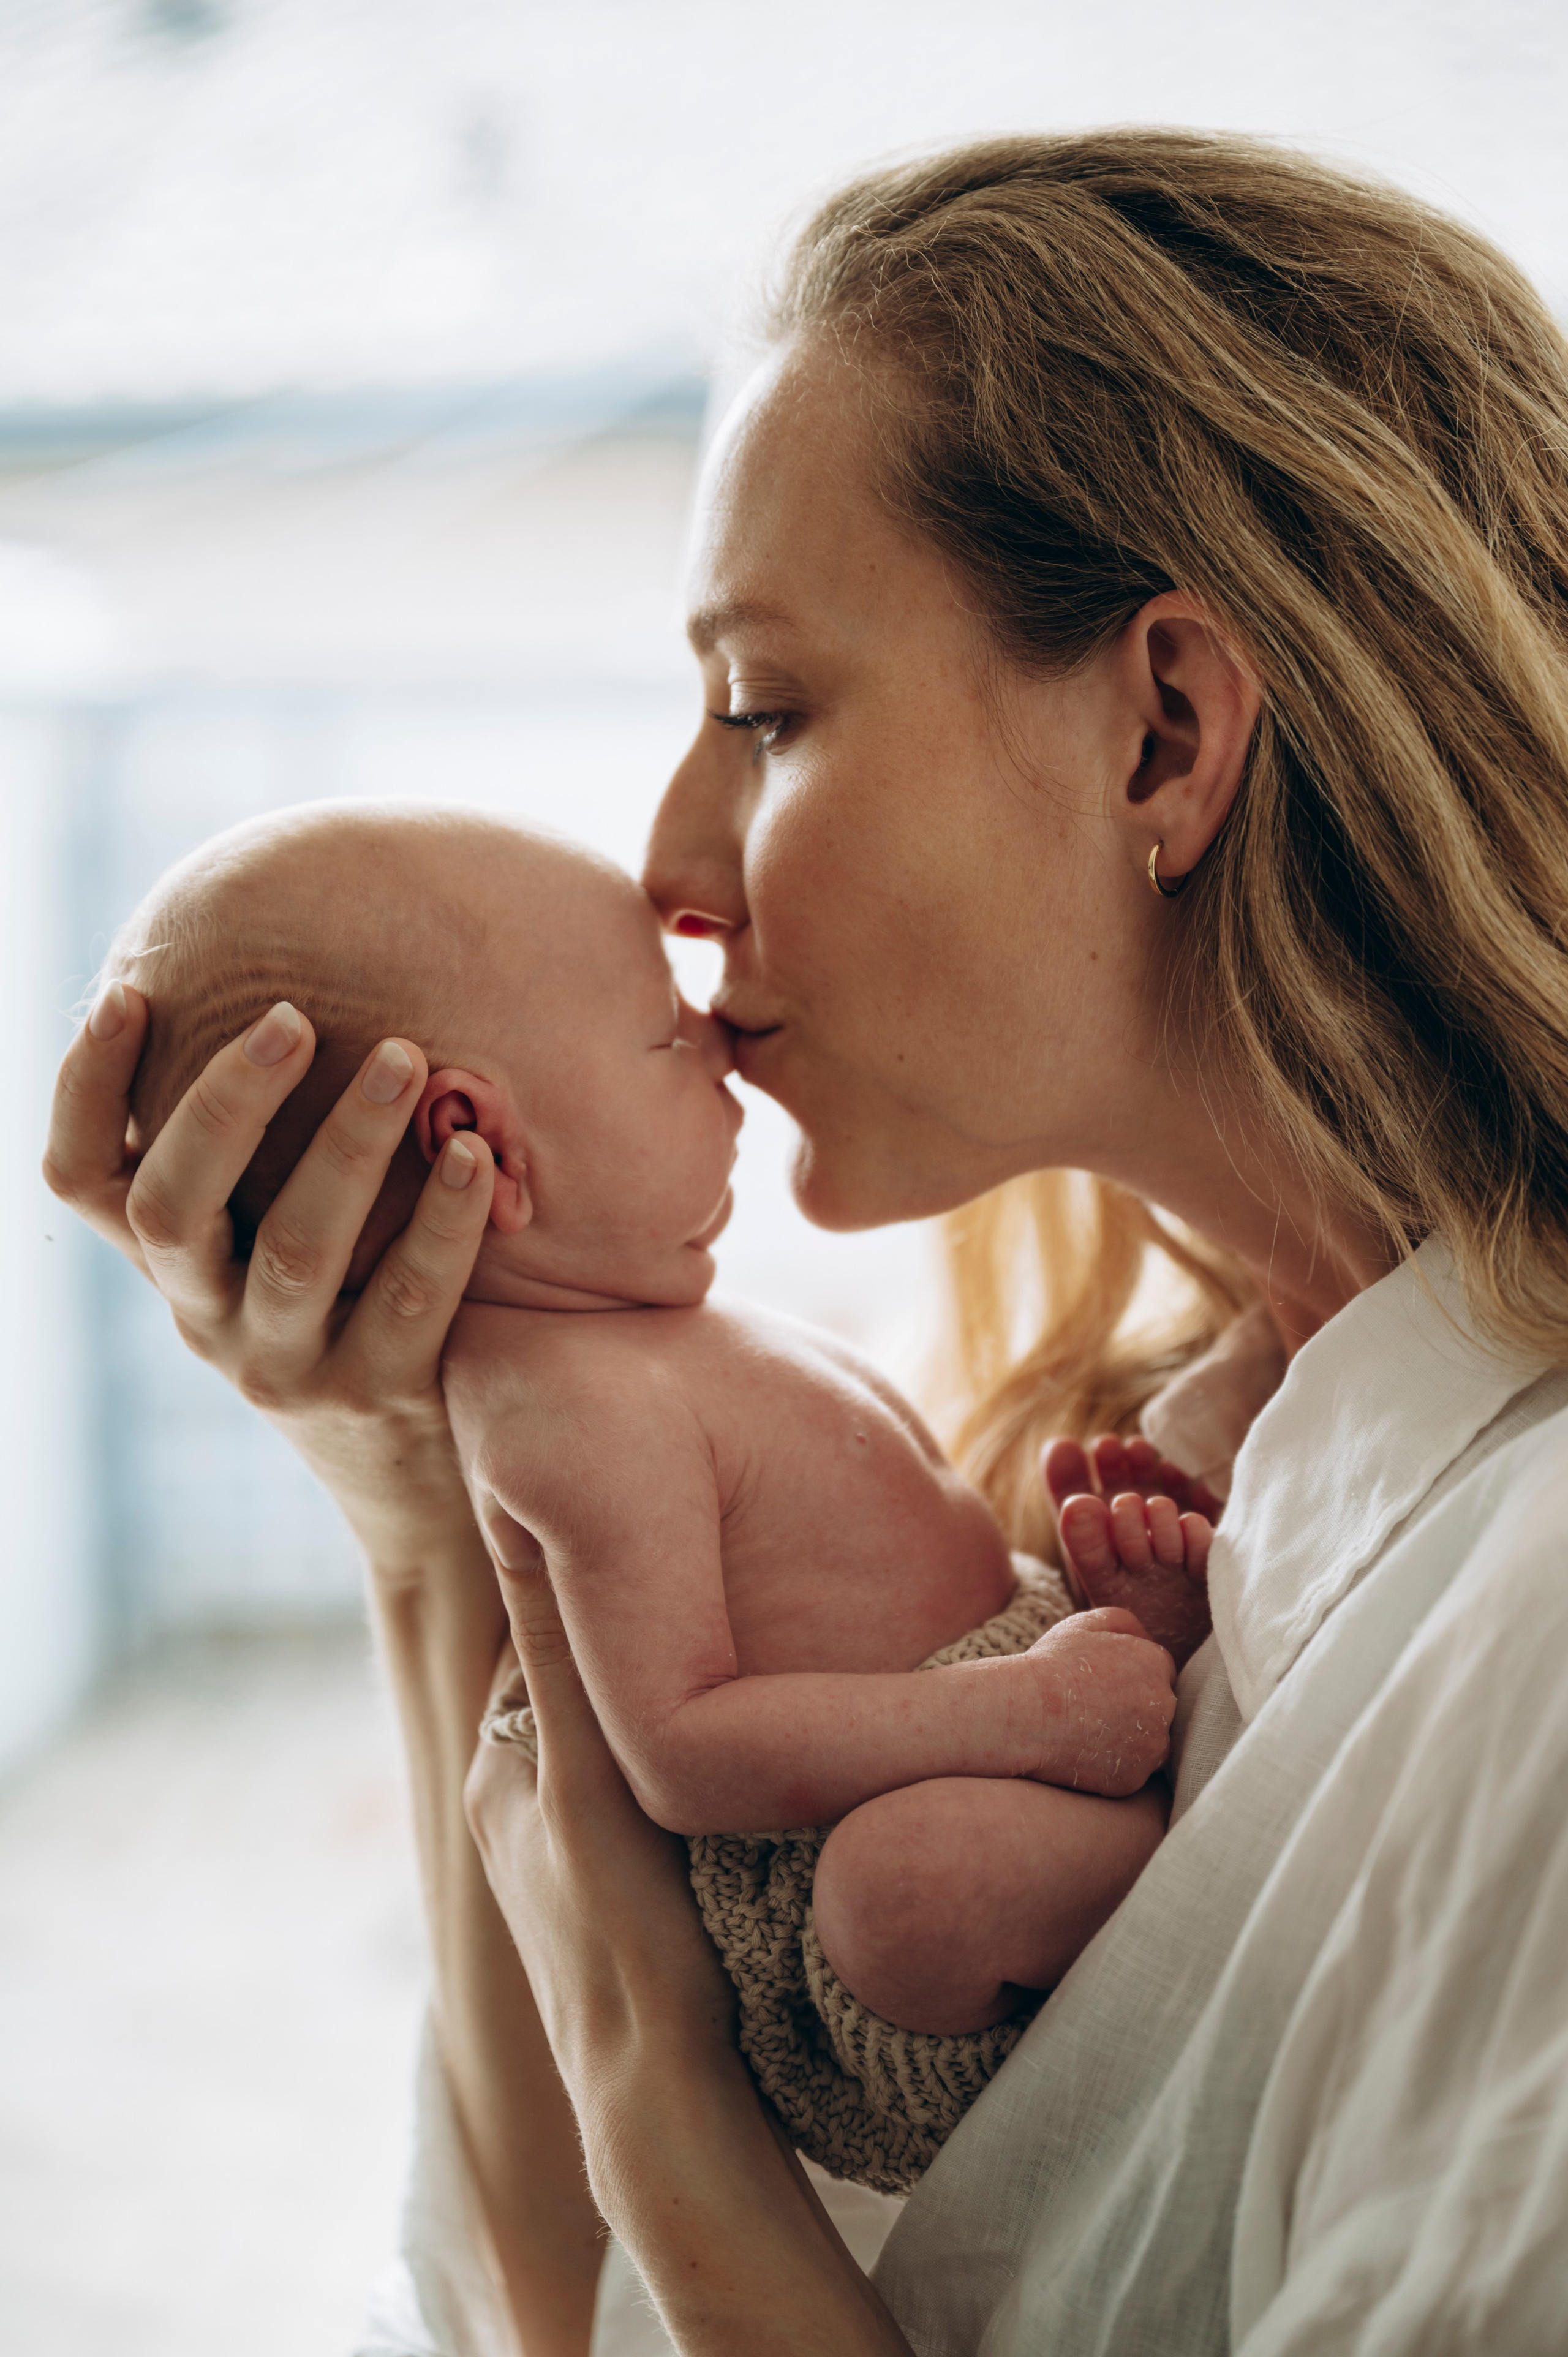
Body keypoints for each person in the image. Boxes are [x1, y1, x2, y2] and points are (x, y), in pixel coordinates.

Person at [47, 126, 1568, 2353]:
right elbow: (522, 2318)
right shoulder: (1100, 1486)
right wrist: (420, 1512)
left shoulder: (1520, 1629)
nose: (669, 859)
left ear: (1164, 730)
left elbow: (622, 2238)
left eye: (765, 708)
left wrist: (666, 2086)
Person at [110, 799, 1196, 2196]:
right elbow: (683, 1750)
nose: (723, 1063)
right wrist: (1024, 1711)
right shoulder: (564, 1411)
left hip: (986, 1705)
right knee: (908, 1889)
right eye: (662, 1034)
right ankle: (1197, 1839)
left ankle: (1138, 1705)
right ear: (475, 1140)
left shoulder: (636, 1327)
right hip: (853, 1908)